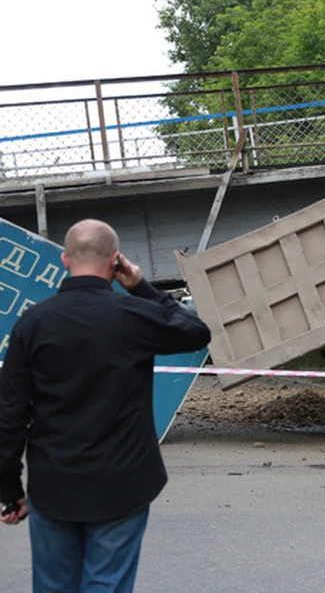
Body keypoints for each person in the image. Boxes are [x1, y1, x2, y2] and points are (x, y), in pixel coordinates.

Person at [0, 219, 211, 593]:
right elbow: (196, 332)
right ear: (116, 261)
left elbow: (9, 415)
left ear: (65, 260)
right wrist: (140, 286)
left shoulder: (32, 324)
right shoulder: (134, 317)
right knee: (106, 585)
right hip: (123, 483)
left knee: (53, 586)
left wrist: (10, 488)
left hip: (53, 486)